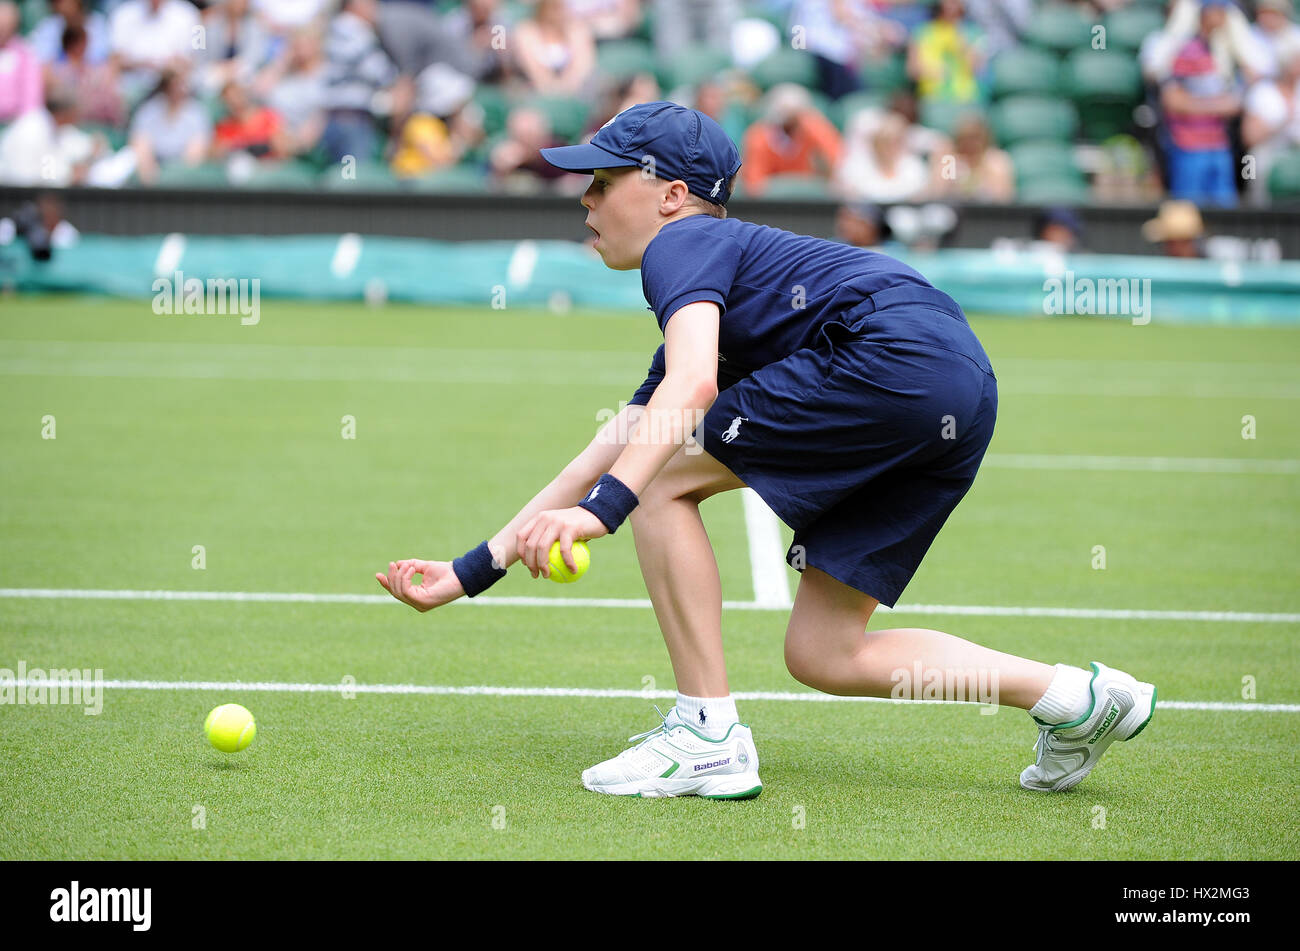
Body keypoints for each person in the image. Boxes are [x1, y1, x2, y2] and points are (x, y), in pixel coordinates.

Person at [375, 101, 1159, 800]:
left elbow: (685, 398)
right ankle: (1073, 698)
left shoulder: (679, 246)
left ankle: (707, 736)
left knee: (653, 485)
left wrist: (606, 514)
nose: (586, 200)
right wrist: (468, 572)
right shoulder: (714, 292)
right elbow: (608, 447)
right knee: (825, 652)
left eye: (604, 182)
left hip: (886, 354)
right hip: (958, 383)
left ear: (671, 196)